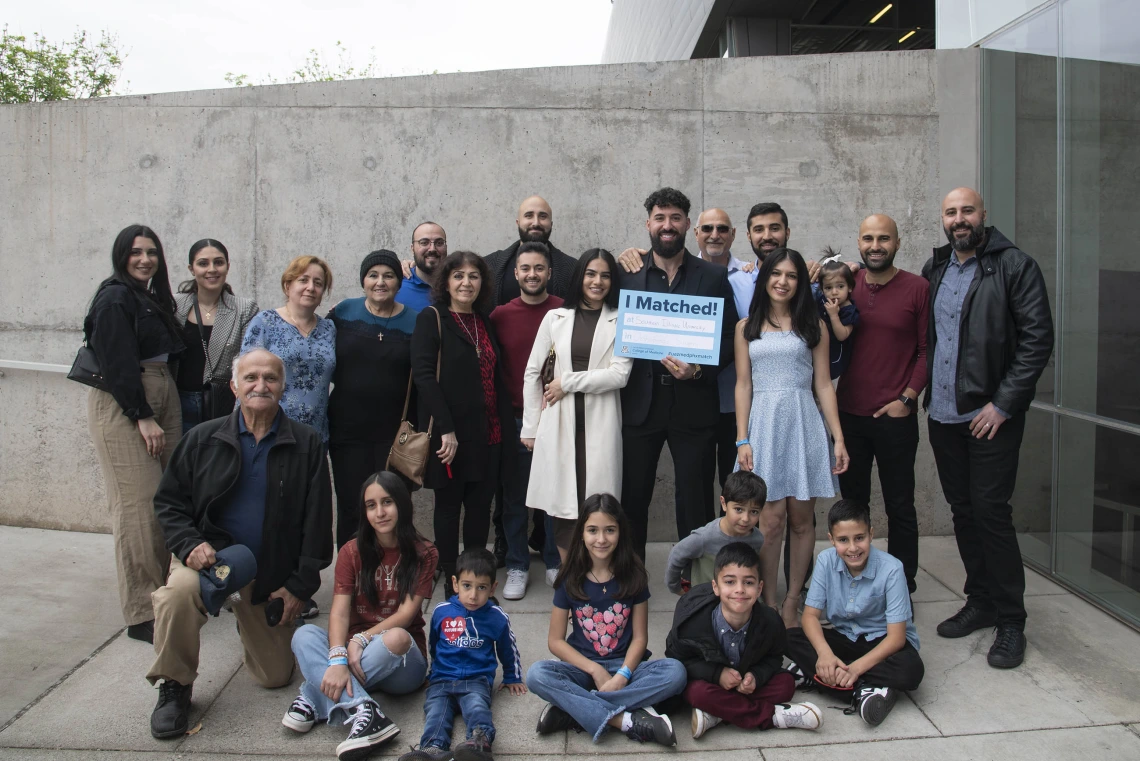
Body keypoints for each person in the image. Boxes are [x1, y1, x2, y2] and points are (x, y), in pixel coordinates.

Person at [147, 349, 331, 739]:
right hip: (207, 562)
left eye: (270, 378)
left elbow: (317, 523)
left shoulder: (306, 443)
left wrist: (299, 587)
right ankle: (175, 685)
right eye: (250, 378)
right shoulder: (202, 439)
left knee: (275, 676)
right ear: (234, 386)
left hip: (266, 573)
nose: (260, 385)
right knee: (177, 594)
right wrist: (188, 542)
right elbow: (168, 503)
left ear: (283, 386)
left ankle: (243, 618)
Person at [923, 187, 1053, 669]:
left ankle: (1011, 619)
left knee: (991, 511)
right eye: (951, 212)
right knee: (963, 510)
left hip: (991, 419)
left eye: (967, 211)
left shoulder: (1015, 266)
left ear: (983, 215)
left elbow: (1037, 341)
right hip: (943, 416)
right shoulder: (935, 269)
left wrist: (1002, 405)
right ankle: (980, 600)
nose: (959, 219)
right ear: (943, 219)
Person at [618, 188, 739, 557]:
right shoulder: (628, 274)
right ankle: (630, 576)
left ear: (688, 224)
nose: (667, 226)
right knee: (632, 497)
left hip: (694, 404)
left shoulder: (714, 276)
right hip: (640, 404)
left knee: (696, 498)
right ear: (648, 224)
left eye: (674, 218)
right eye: (660, 218)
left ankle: (697, 579)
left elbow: (731, 337)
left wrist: (699, 368)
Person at [285, 472, 437, 760]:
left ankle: (315, 694)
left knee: (396, 637)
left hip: (402, 663)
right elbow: (340, 612)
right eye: (371, 505)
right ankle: (365, 711)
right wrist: (339, 657)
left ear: (402, 504)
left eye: (387, 502)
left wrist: (361, 639)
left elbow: (406, 614)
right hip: (355, 657)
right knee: (303, 635)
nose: (379, 512)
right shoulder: (351, 551)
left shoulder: (424, 552)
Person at [734, 248, 849, 629]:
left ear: (801, 283)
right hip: (763, 425)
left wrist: (838, 438)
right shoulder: (746, 327)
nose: (782, 282)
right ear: (765, 278)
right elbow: (743, 385)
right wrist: (742, 438)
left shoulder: (812, 324)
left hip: (803, 423)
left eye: (792, 275)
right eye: (775, 274)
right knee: (769, 521)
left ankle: (793, 600)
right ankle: (767, 601)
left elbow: (823, 385)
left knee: (802, 520)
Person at [84, 224, 185, 643]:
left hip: (162, 389)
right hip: (128, 401)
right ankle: (143, 611)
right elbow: (117, 362)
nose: (145, 259)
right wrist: (141, 415)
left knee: (169, 498)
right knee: (138, 507)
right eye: (136, 252)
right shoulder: (114, 297)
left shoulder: (151, 297)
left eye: (152, 253)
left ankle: (166, 594)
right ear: (121, 255)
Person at [526, 494, 687, 747]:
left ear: (620, 532)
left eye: (609, 530)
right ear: (581, 533)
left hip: (625, 669)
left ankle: (573, 709)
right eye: (593, 530)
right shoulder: (569, 578)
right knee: (537, 675)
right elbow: (555, 641)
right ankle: (626, 721)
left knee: (675, 672)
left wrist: (622, 676)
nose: (601, 539)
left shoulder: (633, 576)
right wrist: (594, 669)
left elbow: (640, 638)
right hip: (581, 669)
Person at [521, 249, 632, 577]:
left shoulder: (622, 319)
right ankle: (571, 581)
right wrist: (530, 427)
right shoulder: (555, 317)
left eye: (605, 275)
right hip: (559, 424)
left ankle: (600, 578)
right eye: (591, 274)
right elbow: (532, 372)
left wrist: (567, 381)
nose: (597, 282)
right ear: (579, 277)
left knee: (601, 506)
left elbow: (618, 375)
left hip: (600, 424)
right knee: (564, 507)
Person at [836, 215, 929, 596]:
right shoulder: (846, 283)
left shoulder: (917, 288)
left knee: (900, 507)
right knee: (852, 508)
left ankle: (902, 586)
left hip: (894, 418)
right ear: (858, 242)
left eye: (884, 238)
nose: (876, 245)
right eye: (869, 238)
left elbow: (926, 351)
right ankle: (854, 582)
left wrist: (907, 399)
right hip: (848, 417)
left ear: (898, 243)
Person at [411, 251, 514, 594]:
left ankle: (474, 576)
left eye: (473, 276)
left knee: (480, 508)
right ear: (446, 282)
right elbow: (424, 377)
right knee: (448, 506)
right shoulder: (432, 318)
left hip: (489, 433)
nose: (466, 282)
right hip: (450, 435)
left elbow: (496, 377)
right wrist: (446, 429)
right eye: (458, 276)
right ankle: (451, 577)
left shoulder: (484, 321)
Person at [241, 255, 336, 619]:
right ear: (288, 285)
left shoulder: (328, 328)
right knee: (271, 511)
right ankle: (261, 585)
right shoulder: (264, 323)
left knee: (306, 514)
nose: (310, 287)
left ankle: (300, 588)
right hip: (271, 434)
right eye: (303, 280)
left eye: (317, 282)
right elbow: (246, 376)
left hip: (314, 437)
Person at [784, 500, 924, 727]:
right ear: (831, 539)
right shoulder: (825, 560)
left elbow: (897, 637)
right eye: (842, 540)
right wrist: (825, 655)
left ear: (870, 534)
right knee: (789, 637)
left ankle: (820, 677)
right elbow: (810, 616)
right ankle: (865, 691)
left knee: (911, 671)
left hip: (882, 643)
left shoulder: (892, 569)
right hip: (845, 638)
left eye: (859, 538)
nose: (852, 548)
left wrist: (856, 668)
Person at [665, 542, 822, 738]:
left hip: (744, 682)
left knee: (785, 684)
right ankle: (774, 716)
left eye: (748, 582)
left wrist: (756, 676)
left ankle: (717, 713)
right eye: (730, 582)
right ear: (716, 587)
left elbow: (774, 658)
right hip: (709, 681)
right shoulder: (692, 621)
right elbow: (676, 660)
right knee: (696, 692)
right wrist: (717, 674)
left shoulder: (770, 622)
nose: (739, 590)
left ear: (759, 588)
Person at [487, 242, 564, 599]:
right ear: (515, 273)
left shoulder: (565, 312)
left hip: (557, 418)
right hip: (516, 419)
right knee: (515, 497)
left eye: (539, 268)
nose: (532, 274)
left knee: (552, 496)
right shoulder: (500, 315)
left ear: (549, 273)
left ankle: (553, 560)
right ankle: (517, 564)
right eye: (525, 268)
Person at [327, 250, 419, 548]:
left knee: (392, 507)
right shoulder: (342, 313)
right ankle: (351, 576)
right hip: (347, 430)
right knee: (352, 505)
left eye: (389, 275)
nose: (381, 282)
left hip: (394, 435)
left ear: (398, 282)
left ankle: (392, 572)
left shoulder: (416, 322)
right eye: (373, 275)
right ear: (363, 280)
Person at [398, 548, 525, 761]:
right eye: (467, 586)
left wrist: (513, 676)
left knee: (477, 708)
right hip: (442, 680)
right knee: (435, 713)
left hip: (476, 680)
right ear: (455, 583)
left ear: (493, 588)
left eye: (481, 588)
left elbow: (508, 648)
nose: (473, 595)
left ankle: (478, 744)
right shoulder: (442, 611)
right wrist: (433, 672)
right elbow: (435, 644)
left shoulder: (496, 617)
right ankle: (432, 749)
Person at [174, 239, 258, 433]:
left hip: (219, 406)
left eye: (218, 262)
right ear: (191, 268)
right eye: (203, 263)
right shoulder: (175, 306)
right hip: (176, 404)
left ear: (228, 267)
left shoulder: (244, 308)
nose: (212, 269)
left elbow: (247, 360)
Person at [664, 470, 767, 595]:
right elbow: (676, 555)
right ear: (724, 503)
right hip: (706, 602)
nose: (745, 518)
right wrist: (677, 588)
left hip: (739, 601)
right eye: (738, 509)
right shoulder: (705, 537)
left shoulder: (757, 539)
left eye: (754, 512)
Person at [484, 195, 579, 305]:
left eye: (543, 216)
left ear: (551, 224)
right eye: (529, 216)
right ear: (518, 222)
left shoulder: (573, 268)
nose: (536, 223)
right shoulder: (489, 266)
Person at [812, 256, 860, 379]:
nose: (834, 292)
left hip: (834, 357)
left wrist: (834, 316)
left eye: (840, 286)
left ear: (849, 287)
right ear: (822, 290)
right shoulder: (823, 300)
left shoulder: (849, 311)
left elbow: (842, 335)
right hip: (817, 350)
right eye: (828, 288)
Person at [396, 222, 447, 312]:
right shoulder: (397, 286)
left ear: (446, 247)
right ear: (412, 248)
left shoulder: (459, 285)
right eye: (424, 243)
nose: (432, 249)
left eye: (439, 243)